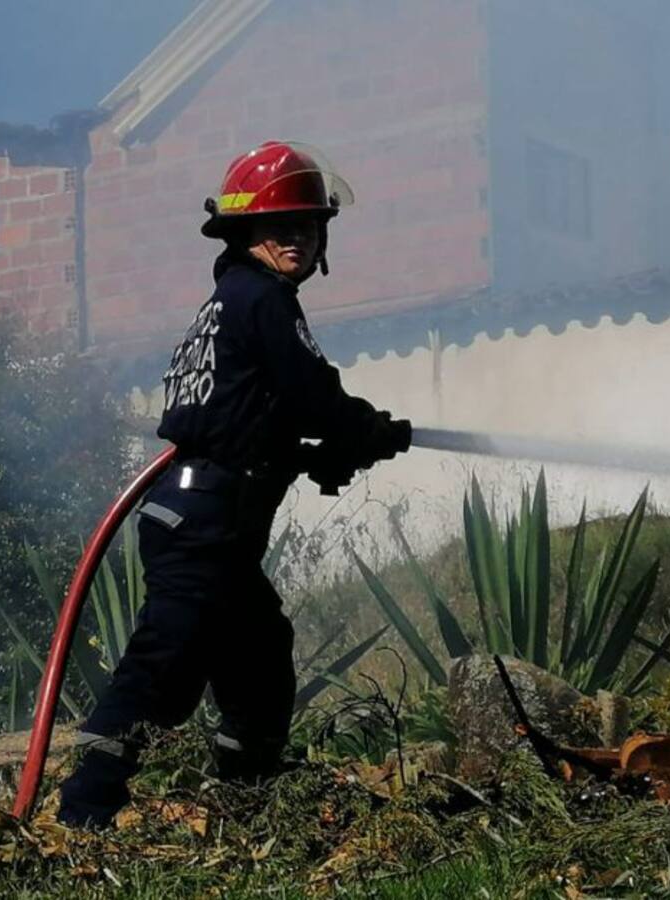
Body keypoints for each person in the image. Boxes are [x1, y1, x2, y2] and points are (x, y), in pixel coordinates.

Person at [58, 140, 412, 828]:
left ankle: (248, 802)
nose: (297, 238)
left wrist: (313, 456)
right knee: (160, 670)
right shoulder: (263, 300)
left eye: (307, 225)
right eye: (280, 226)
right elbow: (312, 394)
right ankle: (82, 817)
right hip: (205, 527)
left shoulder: (230, 303)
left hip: (204, 518)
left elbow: (240, 423)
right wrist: (364, 429)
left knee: (259, 660)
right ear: (244, 233)